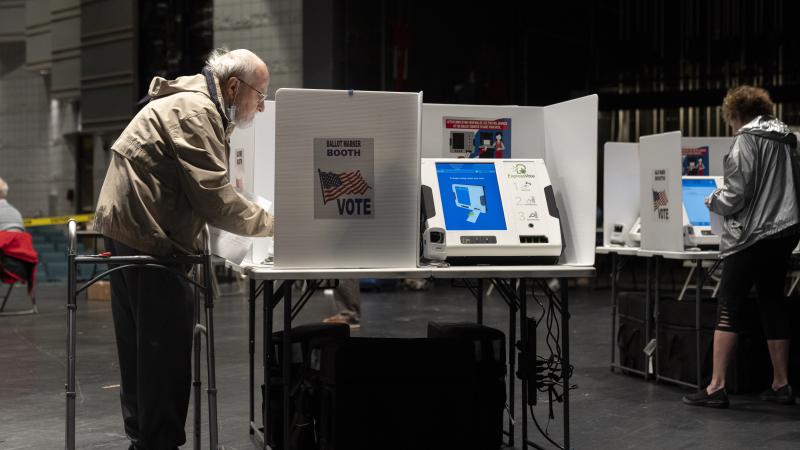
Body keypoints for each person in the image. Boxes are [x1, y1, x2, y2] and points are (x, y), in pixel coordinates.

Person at [93, 48, 274, 449]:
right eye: (260, 96)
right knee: (164, 353)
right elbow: (214, 199)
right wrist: (277, 224)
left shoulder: (192, 104)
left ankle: (144, 440)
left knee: (142, 350)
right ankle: (157, 442)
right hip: (149, 237)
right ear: (233, 86)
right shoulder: (196, 112)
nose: (260, 108)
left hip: (131, 230)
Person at [683, 85, 800, 409]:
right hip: (786, 233)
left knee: (729, 306)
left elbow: (736, 193)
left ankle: (716, 387)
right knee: (772, 303)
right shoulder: (788, 139)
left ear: (735, 114)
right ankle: (781, 383)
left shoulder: (746, 140)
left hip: (750, 236)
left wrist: (712, 200)